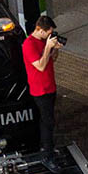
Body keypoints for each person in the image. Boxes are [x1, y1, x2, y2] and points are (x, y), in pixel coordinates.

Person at [22, 15, 61, 163]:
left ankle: (49, 146)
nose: (48, 36)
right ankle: (47, 154)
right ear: (39, 29)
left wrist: (55, 49)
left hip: (50, 87)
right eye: (47, 33)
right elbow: (40, 65)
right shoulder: (29, 44)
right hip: (40, 91)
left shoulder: (45, 42)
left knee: (49, 120)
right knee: (47, 122)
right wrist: (47, 48)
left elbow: (51, 59)